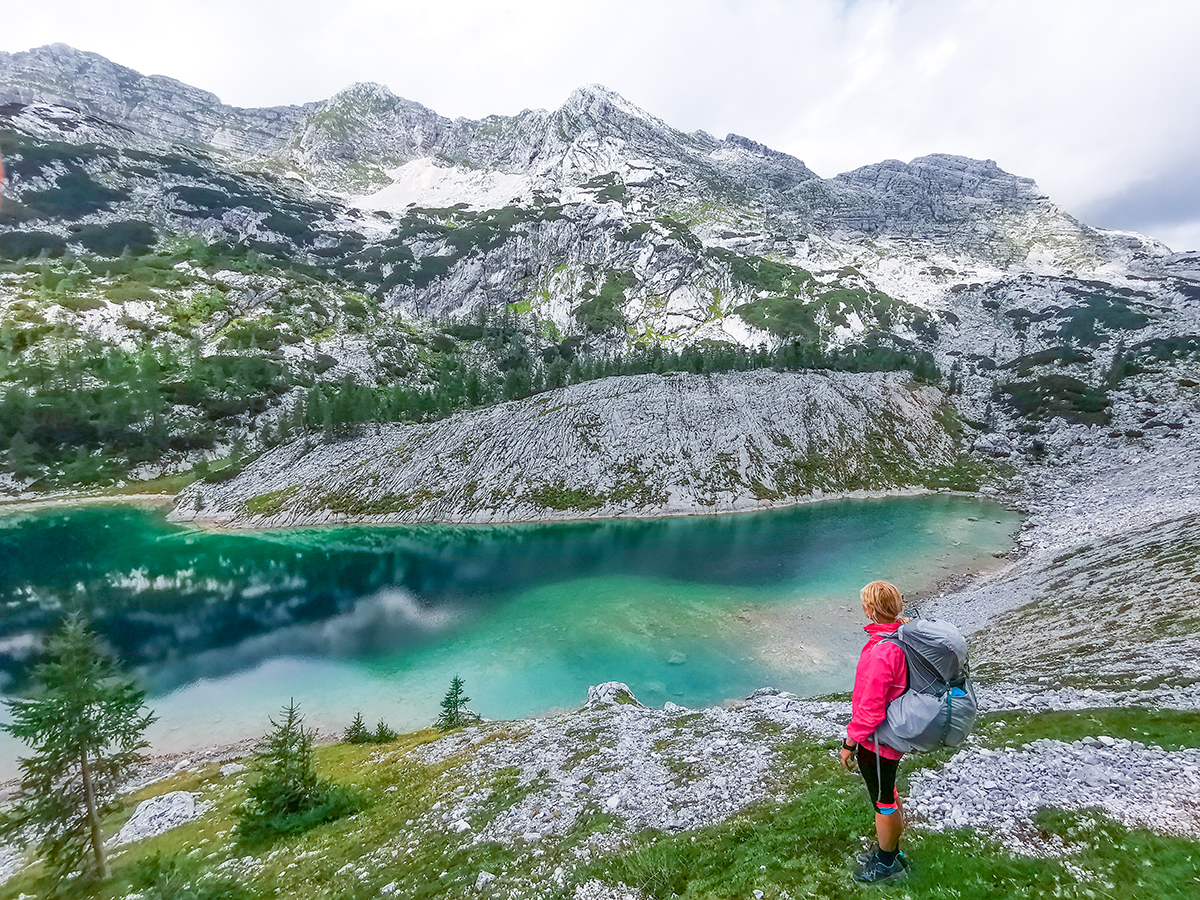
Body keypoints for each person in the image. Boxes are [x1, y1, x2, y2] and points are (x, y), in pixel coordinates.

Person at [840, 579, 910, 883]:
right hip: (892, 735)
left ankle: (885, 864)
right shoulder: (900, 637)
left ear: (871, 609)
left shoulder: (882, 651)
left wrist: (850, 742)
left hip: (879, 740)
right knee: (889, 792)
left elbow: (871, 708)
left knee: (882, 800)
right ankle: (892, 851)